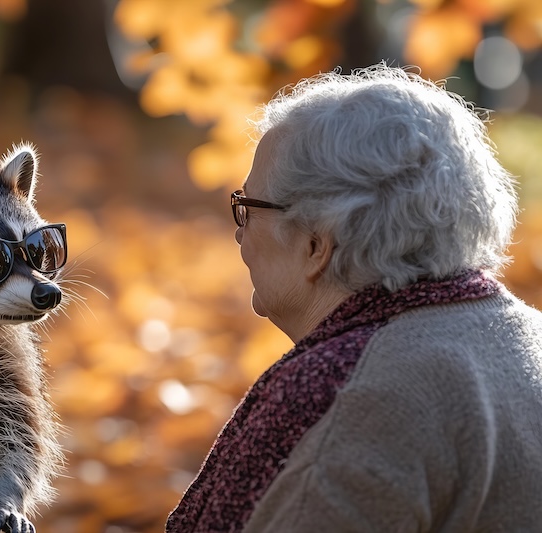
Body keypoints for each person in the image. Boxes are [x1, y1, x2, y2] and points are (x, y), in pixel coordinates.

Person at [166, 64, 542, 532]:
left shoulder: (339, 394)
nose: (240, 235)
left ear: (316, 246)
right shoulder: (529, 339)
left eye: (247, 207)